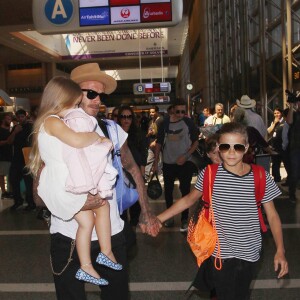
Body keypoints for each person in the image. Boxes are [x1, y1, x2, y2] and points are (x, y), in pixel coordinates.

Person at [33, 63, 160, 300]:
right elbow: (38, 194)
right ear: (72, 94)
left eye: (100, 94)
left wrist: (146, 211)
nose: (97, 99)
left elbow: (132, 168)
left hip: (110, 234)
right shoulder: (54, 128)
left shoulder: (112, 129)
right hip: (68, 237)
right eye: (90, 93)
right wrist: (76, 203)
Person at [157, 122, 288, 300]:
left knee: (240, 293)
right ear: (218, 147)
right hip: (221, 252)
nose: (231, 152)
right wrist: (158, 219)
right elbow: (188, 199)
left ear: (247, 147)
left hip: (250, 252)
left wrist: (280, 250)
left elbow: (272, 216)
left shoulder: (260, 176)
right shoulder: (209, 174)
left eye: (238, 147)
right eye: (226, 147)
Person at [29, 77, 123, 286]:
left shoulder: (51, 122)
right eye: (72, 103)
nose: (74, 108)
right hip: (63, 185)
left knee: (88, 220)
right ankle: (101, 256)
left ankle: (87, 265)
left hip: (61, 183)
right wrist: (98, 139)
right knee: (102, 207)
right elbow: (77, 140)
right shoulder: (52, 121)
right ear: (60, 101)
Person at [153, 100, 199, 231]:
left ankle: (184, 218)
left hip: (185, 163)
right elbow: (159, 143)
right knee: (168, 191)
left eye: (183, 111)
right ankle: (169, 217)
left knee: (185, 191)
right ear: (172, 109)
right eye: (177, 111)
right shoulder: (165, 123)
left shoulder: (188, 122)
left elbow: (195, 142)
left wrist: (186, 156)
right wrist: (156, 162)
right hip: (168, 162)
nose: (180, 114)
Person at [117, 106, 148, 228]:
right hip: (120, 175)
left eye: (129, 117)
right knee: (122, 208)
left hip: (135, 175)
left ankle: (132, 229)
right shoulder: (115, 133)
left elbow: (142, 157)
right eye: (123, 117)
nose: (126, 120)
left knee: (135, 206)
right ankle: (125, 231)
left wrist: (142, 175)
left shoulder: (138, 134)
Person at [9, 109, 35, 211]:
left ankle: (31, 203)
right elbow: (9, 142)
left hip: (27, 158)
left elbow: (35, 140)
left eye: (22, 117)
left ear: (25, 116)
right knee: (13, 180)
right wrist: (15, 132)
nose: (20, 119)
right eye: (19, 117)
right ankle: (18, 201)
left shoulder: (30, 126)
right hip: (16, 159)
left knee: (29, 182)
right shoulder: (16, 127)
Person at [286, 95, 300, 203]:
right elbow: (289, 121)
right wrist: (291, 106)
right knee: (294, 173)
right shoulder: (295, 114)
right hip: (295, 148)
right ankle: (292, 194)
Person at [145, 105, 163, 180]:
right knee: (149, 160)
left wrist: (156, 141)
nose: (151, 113)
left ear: (157, 112)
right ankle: (146, 176)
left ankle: (160, 174)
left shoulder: (161, 120)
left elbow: (162, 133)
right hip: (151, 144)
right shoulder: (151, 121)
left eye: (153, 112)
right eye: (150, 112)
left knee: (159, 160)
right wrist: (149, 133)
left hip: (158, 144)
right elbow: (149, 133)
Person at [267, 108, 285, 182]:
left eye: (278, 113)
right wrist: (274, 123)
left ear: (281, 113)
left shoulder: (285, 121)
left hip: (283, 146)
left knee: (286, 164)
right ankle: (277, 179)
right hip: (275, 146)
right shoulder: (274, 122)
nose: (276, 115)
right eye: (275, 113)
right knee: (275, 164)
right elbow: (268, 131)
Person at [0, 113, 13, 198]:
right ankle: (4, 192)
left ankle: (10, 191)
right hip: (2, 155)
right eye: (7, 119)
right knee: (2, 174)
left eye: (10, 119)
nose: (9, 120)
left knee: (10, 174)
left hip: (11, 155)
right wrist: (8, 141)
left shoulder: (11, 129)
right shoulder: (1, 130)